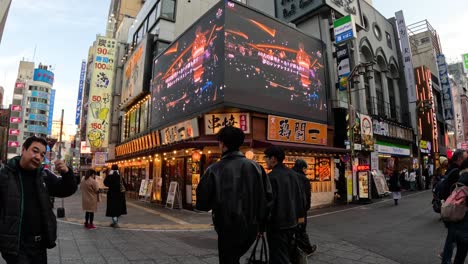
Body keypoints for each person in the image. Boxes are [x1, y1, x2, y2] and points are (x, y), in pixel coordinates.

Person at [196, 126, 272, 264]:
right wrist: (261, 225)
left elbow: (202, 203)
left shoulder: (214, 169)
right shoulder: (256, 168)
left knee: (228, 259)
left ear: (222, 144)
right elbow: (267, 198)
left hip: (226, 227)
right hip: (251, 227)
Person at [0, 136, 77, 264]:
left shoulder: (44, 175)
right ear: (23, 149)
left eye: (42, 155)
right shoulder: (5, 175)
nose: (38, 157)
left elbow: (66, 190)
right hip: (16, 246)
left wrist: (67, 172)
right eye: (34, 151)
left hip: (39, 245)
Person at [264, 146, 306, 264]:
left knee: (278, 256)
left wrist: (261, 225)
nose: (266, 160)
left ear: (273, 159)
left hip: (277, 224)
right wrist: (300, 218)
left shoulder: (271, 177)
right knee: (286, 252)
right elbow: (300, 197)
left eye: (266, 157)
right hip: (292, 222)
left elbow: (268, 203)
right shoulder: (293, 175)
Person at [440, 150, 468, 264]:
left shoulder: (457, 173)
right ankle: (446, 259)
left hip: (455, 213)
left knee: (456, 244)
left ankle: (446, 259)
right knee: (455, 243)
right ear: (460, 159)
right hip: (460, 215)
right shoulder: (456, 173)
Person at [292, 159, 317, 256]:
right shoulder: (304, 179)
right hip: (300, 209)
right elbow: (307, 196)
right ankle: (307, 249)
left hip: (288, 209)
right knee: (301, 229)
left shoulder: (289, 175)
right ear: (303, 168)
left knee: (291, 230)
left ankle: (294, 249)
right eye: (305, 169)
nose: (306, 171)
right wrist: (306, 208)